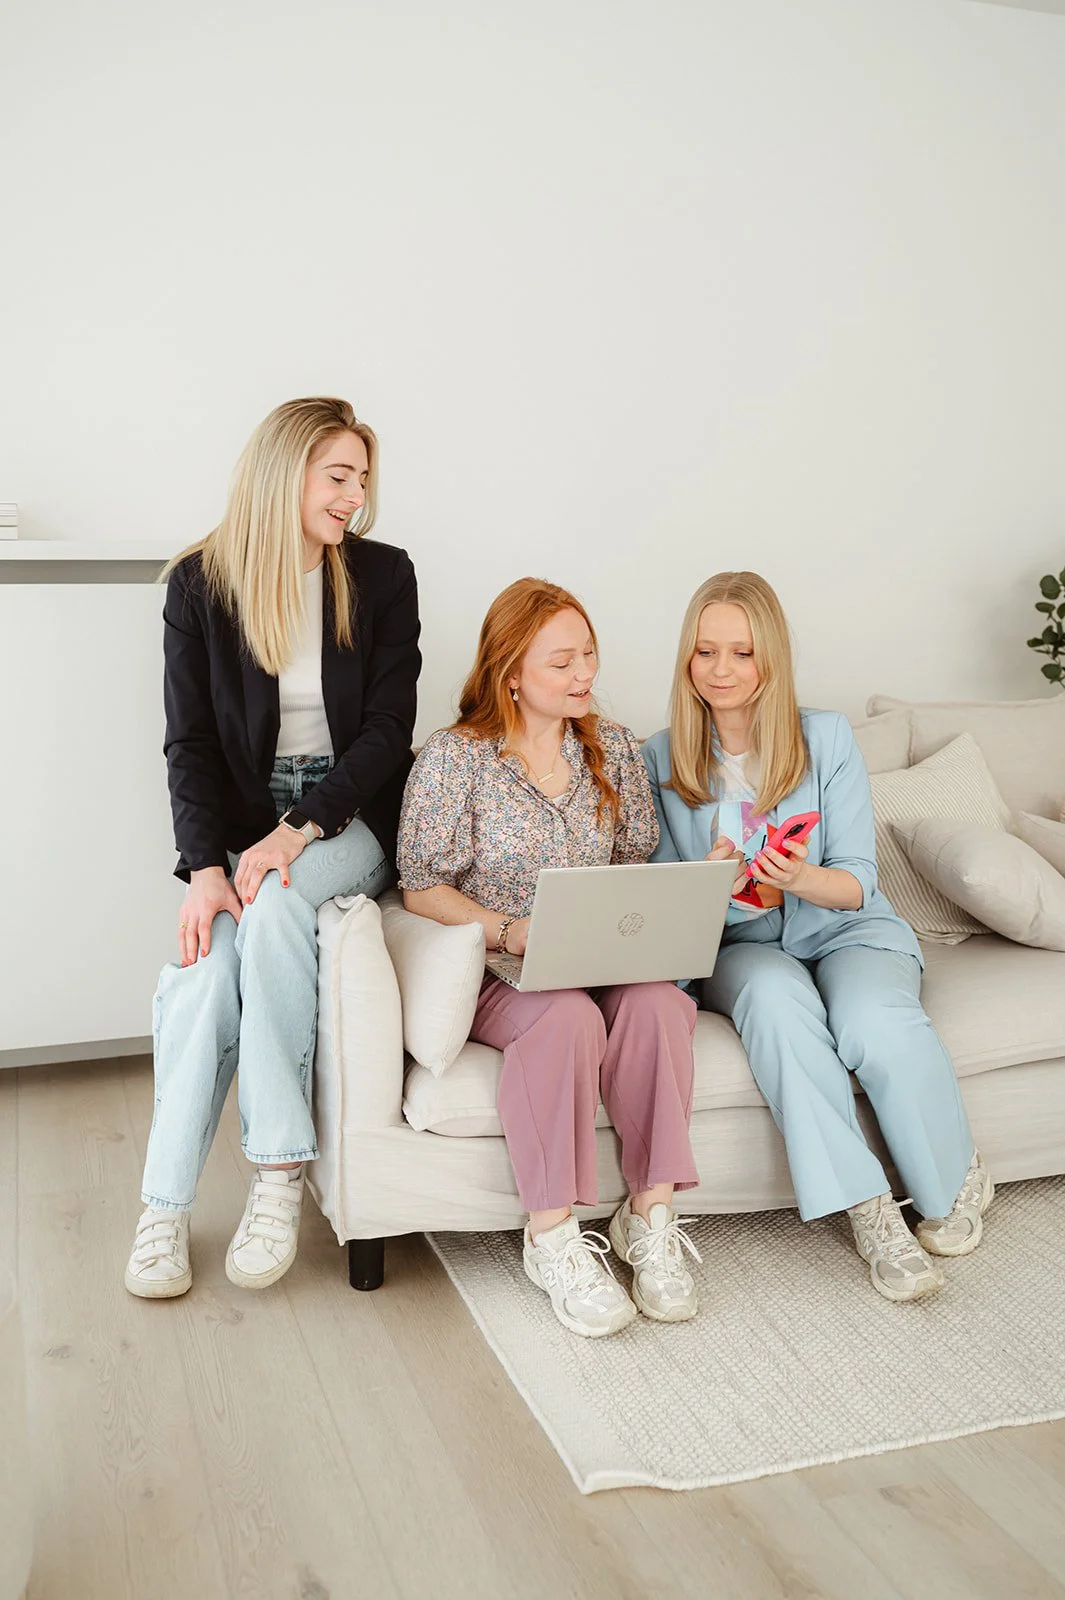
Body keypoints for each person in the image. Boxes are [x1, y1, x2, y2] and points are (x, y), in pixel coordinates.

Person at [125, 397, 421, 1299]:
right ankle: (163, 1209)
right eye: (338, 477)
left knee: (280, 904)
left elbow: (385, 732)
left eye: (362, 481)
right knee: (202, 966)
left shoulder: (382, 575)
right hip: (242, 831)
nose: (354, 498)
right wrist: (206, 872)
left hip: (348, 822)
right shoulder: (199, 586)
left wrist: (296, 833)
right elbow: (191, 747)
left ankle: (278, 1172)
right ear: (282, 474)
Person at [642, 571, 992, 1304]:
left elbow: (857, 878)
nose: (721, 671)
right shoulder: (660, 758)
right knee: (775, 1010)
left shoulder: (823, 736)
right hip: (743, 948)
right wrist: (709, 882)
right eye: (705, 652)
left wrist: (798, 878)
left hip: (845, 926)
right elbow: (667, 908)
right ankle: (870, 1213)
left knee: (872, 1022)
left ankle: (955, 1177)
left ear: (769, 657)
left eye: (740, 652)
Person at [397, 578, 701, 1337]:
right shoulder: (455, 759)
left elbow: (635, 855)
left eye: (588, 655)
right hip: (503, 969)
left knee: (661, 1002)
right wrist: (509, 930)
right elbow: (420, 887)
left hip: (599, 955)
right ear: (511, 673)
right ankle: (552, 1239)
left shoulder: (615, 747)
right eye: (562, 661)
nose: (583, 675)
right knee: (562, 1020)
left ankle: (649, 1218)